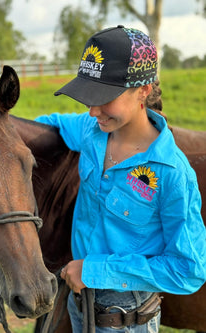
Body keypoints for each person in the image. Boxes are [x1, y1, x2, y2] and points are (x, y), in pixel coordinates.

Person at [35, 25, 206, 333]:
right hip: (80, 303)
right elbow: (49, 125)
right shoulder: (93, 132)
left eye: (104, 97)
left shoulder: (171, 173)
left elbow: (188, 269)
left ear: (144, 90)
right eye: (88, 97)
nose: (92, 110)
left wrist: (96, 271)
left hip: (125, 318)